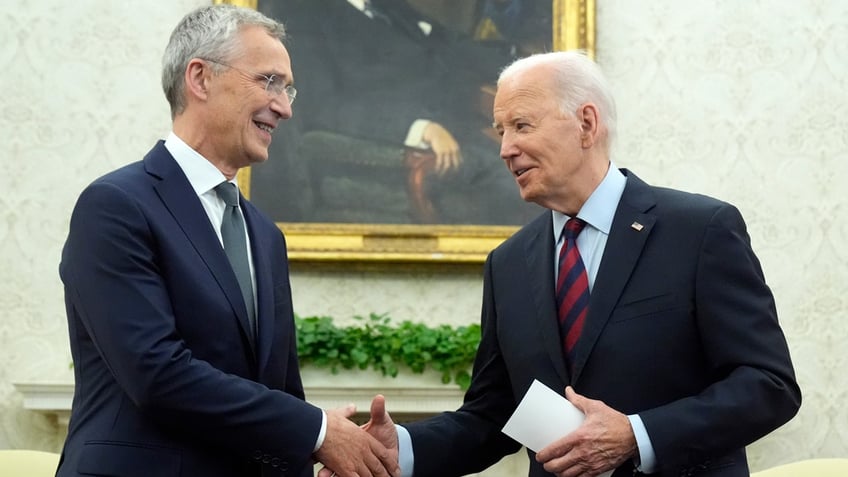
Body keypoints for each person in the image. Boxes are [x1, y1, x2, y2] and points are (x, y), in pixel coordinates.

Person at [348, 51, 802, 476]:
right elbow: (492, 415)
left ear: (586, 124)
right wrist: (401, 449)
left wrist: (637, 436)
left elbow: (768, 385)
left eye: (522, 125)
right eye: (501, 130)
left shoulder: (699, 230)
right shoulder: (508, 263)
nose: (505, 148)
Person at [57, 5, 399, 477]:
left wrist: (316, 455)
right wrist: (317, 432)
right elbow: (157, 373)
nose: (285, 106)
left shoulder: (264, 234)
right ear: (200, 78)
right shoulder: (116, 205)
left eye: (288, 88)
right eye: (269, 81)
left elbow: (279, 393)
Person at [253, 0, 541, 225]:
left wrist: (531, 64)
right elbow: (325, 105)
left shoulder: (387, 8)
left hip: (459, 128)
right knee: (517, 187)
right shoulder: (303, 17)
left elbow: (450, 47)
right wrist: (419, 127)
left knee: (533, 169)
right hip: (400, 143)